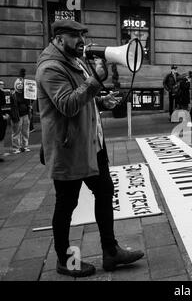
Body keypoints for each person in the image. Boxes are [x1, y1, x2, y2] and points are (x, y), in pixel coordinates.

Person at [36, 20, 144, 277]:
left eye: (82, 35)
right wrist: (96, 79)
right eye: (74, 36)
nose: (81, 41)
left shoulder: (74, 61)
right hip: (69, 148)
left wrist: (101, 100)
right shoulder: (51, 68)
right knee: (66, 205)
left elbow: (83, 95)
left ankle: (111, 251)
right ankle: (65, 261)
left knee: (105, 191)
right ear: (59, 39)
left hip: (91, 144)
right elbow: (67, 104)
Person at [11, 69, 32, 153]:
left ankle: (25, 146)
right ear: (15, 85)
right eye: (18, 84)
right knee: (16, 132)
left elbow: (31, 102)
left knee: (25, 131)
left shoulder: (26, 93)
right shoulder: (13, 95)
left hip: (26, 114)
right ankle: (16, 147)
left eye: (21, 84)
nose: (20, 85)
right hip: (17, 115)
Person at [0, 80, 9, 161]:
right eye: (0, 84)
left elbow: (5, 105)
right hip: (1, 117)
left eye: (3, 84)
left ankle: (1, 153)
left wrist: (6, 113)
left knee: (2, 135)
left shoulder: (3, 93)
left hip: (3, 117)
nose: (2, 86)